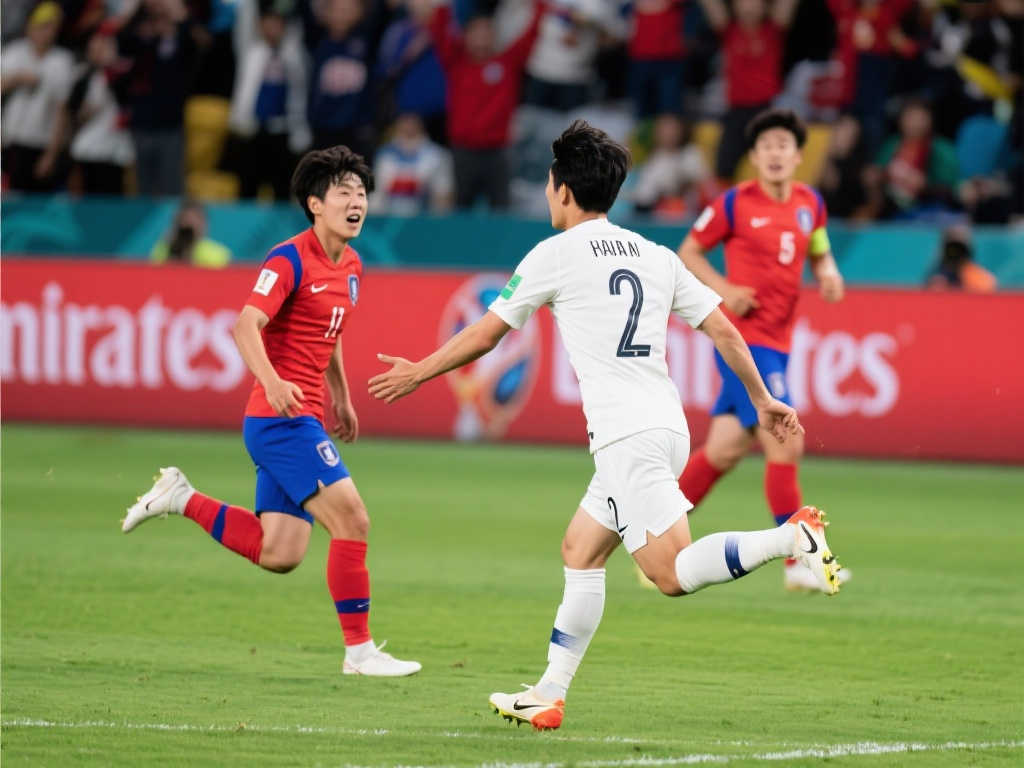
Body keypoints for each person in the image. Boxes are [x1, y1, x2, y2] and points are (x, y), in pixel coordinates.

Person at [369, 120, 842, 729]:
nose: (548, 193)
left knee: (670, 574)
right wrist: (762, 398)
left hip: (625, 438)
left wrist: (420, 372)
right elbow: (724, 328)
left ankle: (790, 539)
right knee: (580, 549)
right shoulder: (655, 254)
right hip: (664, 427)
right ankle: (548, 692)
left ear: (564, 190)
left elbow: (487, 333)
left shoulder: (554, 254)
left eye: (549, 183)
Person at [123, 146, 421, 678]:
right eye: (344, 192)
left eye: (361, 193)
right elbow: (245, 326)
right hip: (280, 420)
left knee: (279, 553)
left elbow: (329, 333)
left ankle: (180, 496)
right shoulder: (288, 259)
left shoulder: (352, 265)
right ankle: (359, 653)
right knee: (353, 519)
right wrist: (273, 380)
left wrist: (342, 396)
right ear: (315, 204)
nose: (357, 202)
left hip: (303, 415)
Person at [674, 108, 848, 593]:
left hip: (779, 341)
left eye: (782, 146)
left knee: (724, 450)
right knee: (786, 438)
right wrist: (725, 289)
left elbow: (819, 249)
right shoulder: (734, 203)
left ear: (797, 155)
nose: (774, 153)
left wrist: (829, 273)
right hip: (743, 342)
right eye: (766, 146)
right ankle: (798, 564)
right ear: (754, 156)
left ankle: (651, 535)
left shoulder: (811, 203)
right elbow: (688, 252)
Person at [426, 0, 544, 209]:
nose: (481, 37)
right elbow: (439, 31)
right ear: (466, 36)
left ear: (494, 36)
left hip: (497, 152)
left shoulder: (508, 63)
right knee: (461, 209)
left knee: (501, 210)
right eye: (476, 32)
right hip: (463, 151)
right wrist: (442, 7)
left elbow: (531, 35)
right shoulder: (456, 63)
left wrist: (540, 7)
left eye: (486, 32)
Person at [696, 0, 797, 183]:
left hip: (767, 111)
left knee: (774, 168)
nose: (749, 6)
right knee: (723, 168)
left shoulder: (772, 31)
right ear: (735, 6)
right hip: (736, 111)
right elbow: (712, 5)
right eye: (743, 2)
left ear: (765, 6)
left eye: (755, 2)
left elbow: (786, 5)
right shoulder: (730, 31)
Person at [0, 1, 74, 192]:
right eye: (42, 27)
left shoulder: (62, 61)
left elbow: (61, 111)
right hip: (11, 141)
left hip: (41, 143)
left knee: (38, 199)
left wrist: (51, 154)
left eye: (51, 28)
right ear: (30, 27)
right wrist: (16, 79)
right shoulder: (13, 53)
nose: (46, 33)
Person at [371, 112, 454, 215]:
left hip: (424, 217)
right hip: (388, 218)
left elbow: (443, 195)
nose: (409, 125)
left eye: (412, 121)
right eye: (405, 120)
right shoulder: (384, 155)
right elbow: (376, 195)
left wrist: (436, 222)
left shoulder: (437, 155)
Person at [150, 199, 232, 267]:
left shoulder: (219, 255)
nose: (190, 224)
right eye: (184, 220)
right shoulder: (163, 249)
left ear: (205, 224)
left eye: (196, 219)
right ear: (176, 224)